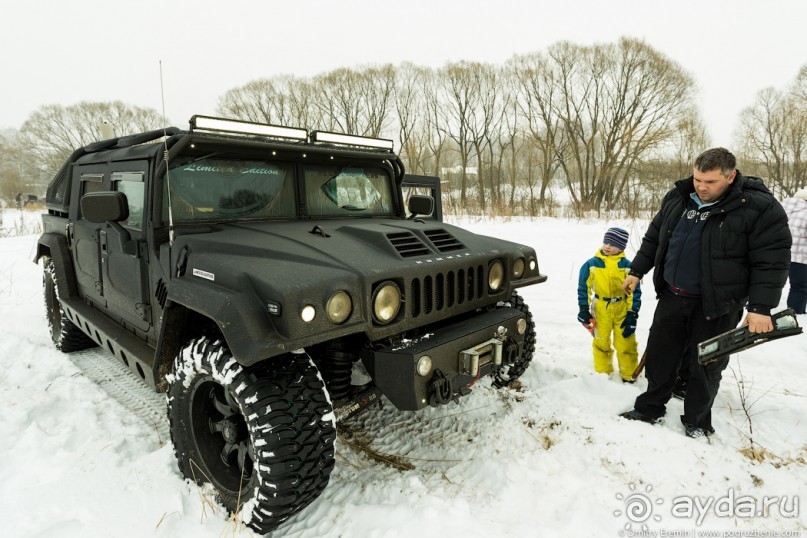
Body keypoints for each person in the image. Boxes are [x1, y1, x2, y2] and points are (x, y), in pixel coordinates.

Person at [619, 148, 791, 439]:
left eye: (710, 181)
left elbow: (772, 260)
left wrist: (761, 307)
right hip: (672, 294)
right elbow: (655, 235)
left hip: (717, 304)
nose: (701, 186)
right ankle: (649, 408)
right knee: (662, 355)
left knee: (706, 364)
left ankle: (697, 421)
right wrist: (637, 270)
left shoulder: (759, 207)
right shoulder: (679, 197)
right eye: (698, 178)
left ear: (730, 176)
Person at [577, 227, 642, 382]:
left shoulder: (628, 266)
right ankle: (603, 373)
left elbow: (634, 292)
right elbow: (583, 288)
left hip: (622, 308)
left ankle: (629, 374)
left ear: (622, 247)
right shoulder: (591, 264)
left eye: (612, 244)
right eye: (606, 242)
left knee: (626, 342)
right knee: (601, 341)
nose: (607, 246)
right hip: (601, 308)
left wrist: (632, 313)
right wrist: (584, 309)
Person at [782, 187, 807, 314]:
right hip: (799, 257)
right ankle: (796, 312)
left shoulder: (781, 209)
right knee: (799, 286)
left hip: (778, 254)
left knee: (770, 283)